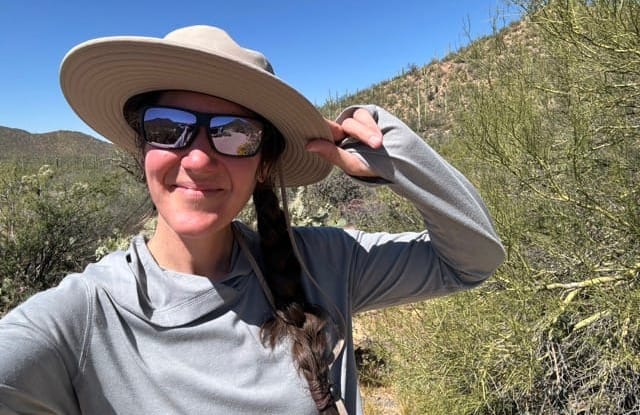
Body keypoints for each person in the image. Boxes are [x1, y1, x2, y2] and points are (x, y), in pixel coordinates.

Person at [0, 25, 505, 415]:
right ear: (142, 149)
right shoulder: (80, 320)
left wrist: (389, 152)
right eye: (168, 128)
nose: (197, 159)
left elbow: (472, 258)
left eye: (235, 133)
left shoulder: (323, 265)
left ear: (263, 164)